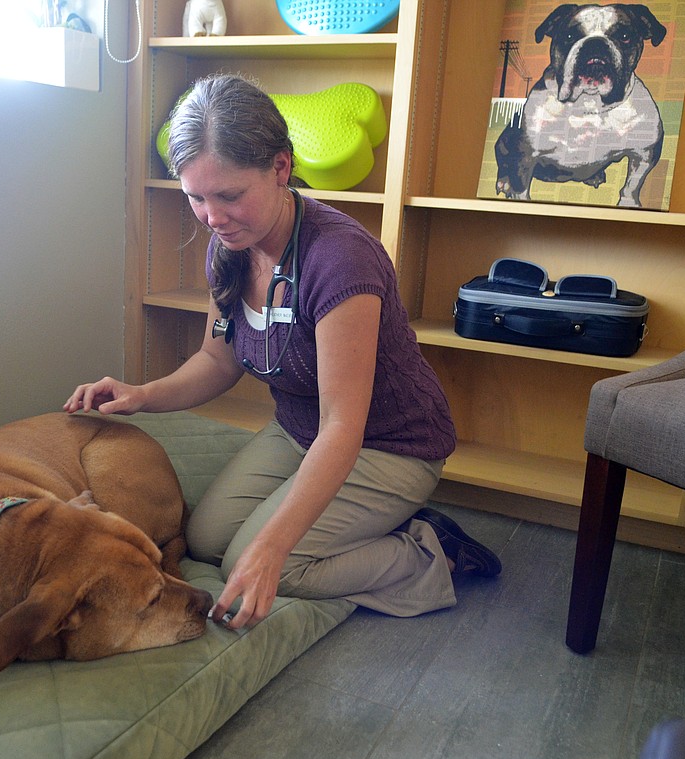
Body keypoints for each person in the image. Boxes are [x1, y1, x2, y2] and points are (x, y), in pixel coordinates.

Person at [64, 74, 499, 630]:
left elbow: (344, 426)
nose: (212, 217)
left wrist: (272, 550)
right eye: (195, 197)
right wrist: (141, 394)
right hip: (300, 427)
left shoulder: (341, 261)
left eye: (229, 195)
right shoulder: (230, 248)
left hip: (388, 444)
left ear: (280, 168)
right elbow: (217, 361)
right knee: (207, 541)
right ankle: (355, 531)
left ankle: (428, 552)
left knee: (273, 563)